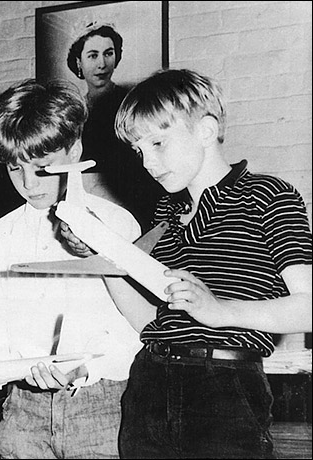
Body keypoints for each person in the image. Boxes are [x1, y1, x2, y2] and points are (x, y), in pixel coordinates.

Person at [63, 68, 312, 458]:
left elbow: (309, 307)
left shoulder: (269, 195)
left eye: (158, 143)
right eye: (139, 150)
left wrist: (219, 310)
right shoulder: (165, 213)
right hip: (149, 383)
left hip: (224, 390)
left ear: (206, 131)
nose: (147, 161)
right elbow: (151, 325)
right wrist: (103, 257)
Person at [0, 79, 142, 459]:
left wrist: (83, 369)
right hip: (23, 410)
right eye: (14, 168)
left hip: (102, 407)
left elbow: (133, 330)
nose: (27, 184)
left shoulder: (116, 224)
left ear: (76, 150)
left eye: (42, 168)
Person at [67, 20, 162, 232]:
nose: (102, 63)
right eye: (92, 55)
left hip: (133, 203)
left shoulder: (131, 104)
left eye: (108, 53)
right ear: (79, 62)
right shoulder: (72, 111)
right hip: (91, 203)